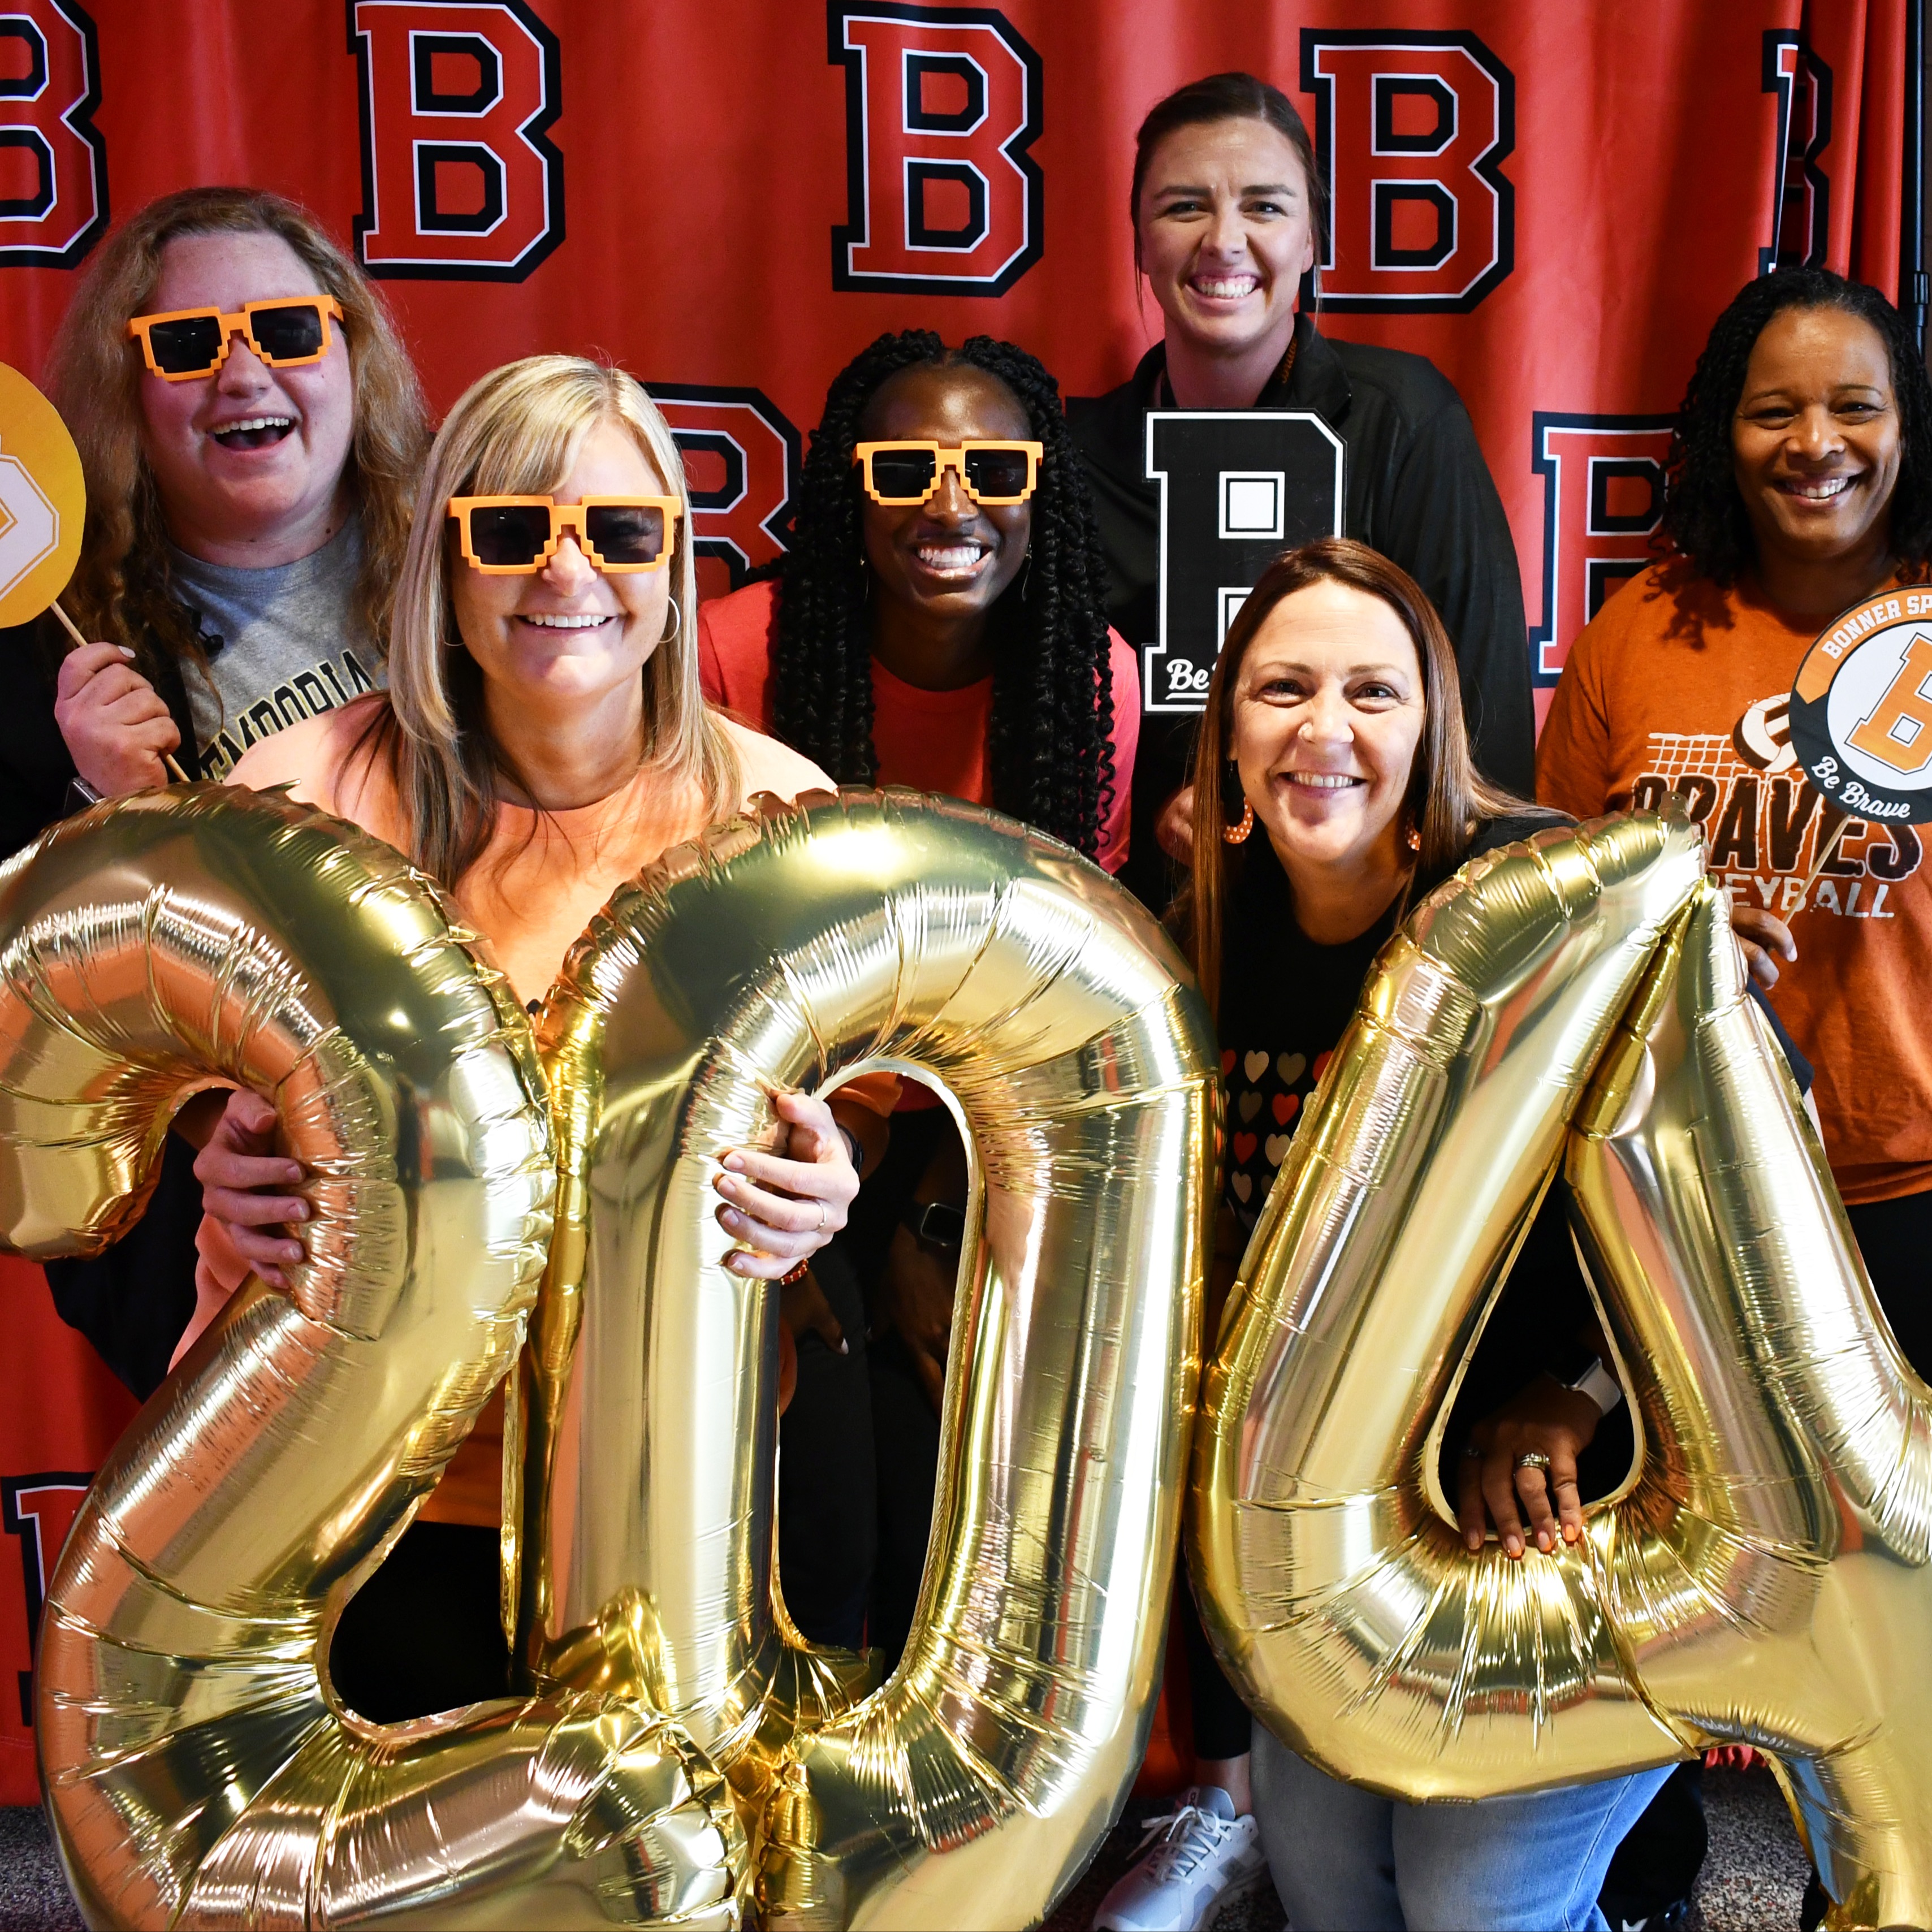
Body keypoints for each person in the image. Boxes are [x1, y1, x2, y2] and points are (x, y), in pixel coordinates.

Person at [183, 355, 872, 1720]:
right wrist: (222, 1182)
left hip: (670, 1473)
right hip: (342, 1474)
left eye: (618, 532)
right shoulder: (293, 801)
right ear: (446, 558)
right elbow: (185, 1099)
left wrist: (822, 1192)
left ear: (673, 563)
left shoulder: (779, 814)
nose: (566, 574)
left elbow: (815, 1123)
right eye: (510, 529)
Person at [1094, 537, 1668, 1932]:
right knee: (1333, 1894)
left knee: (1474, 1906)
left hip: (1585, 1512)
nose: (1322, 729)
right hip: (1347, 1541)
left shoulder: (1545, 897)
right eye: (1280, 689)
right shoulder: (1192, 947)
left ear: (1432, 727)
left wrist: (1577, 1394)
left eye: (1371, 691)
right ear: (1224, 734)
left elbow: (1756, 1166)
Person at [1536, 266, 1932, 1932]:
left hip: (1911, 1182)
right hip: (1690, 1201)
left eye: (1854, 406)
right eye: (1776, 408)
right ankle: (1654, 1876)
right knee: (1674, 1568)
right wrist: (1678, 931)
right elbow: (1551, 903)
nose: (1815, 442)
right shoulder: (1642, 630)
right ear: (1723, 431)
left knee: (1905, 1599)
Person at [699, 329, 1139, 1661]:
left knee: (970, 1513)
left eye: (990, 466)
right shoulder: (735, 654)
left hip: (977, 1133)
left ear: (1039, 490)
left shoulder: (1090, 679)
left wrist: (936, 1214)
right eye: (905, 467)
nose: (951, 502)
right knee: (826, 1520)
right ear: (850, 488)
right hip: (769, 1136)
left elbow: (1055, 1000)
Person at [0, 187, 429, 1404]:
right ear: (129, 394)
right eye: (186, 346)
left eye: (287, 330)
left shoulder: (479, 576)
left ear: (350, 348)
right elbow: (26, 1042)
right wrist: (103, 818)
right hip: (233, 1248)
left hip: (488, 1186)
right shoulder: (48, 655)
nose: (243, 374)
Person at [1067, 71, 1535, 910]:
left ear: (1313, 236)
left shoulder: (1403, 421)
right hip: (1138, 921)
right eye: (1182, 207)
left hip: (1369, 921)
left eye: (1265, 206)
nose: (1223, 240)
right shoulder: (1075, 454)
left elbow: (1481, 729)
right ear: (1137, 240)